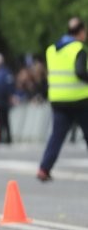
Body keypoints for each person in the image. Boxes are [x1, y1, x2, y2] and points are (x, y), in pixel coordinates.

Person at [37, 17, 88, 181]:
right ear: (80, 32)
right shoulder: (79, 49)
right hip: (79, 99)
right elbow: (80, 72)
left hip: (57, 99)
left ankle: (44, 169)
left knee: (57, 136)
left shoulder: (52, 50)